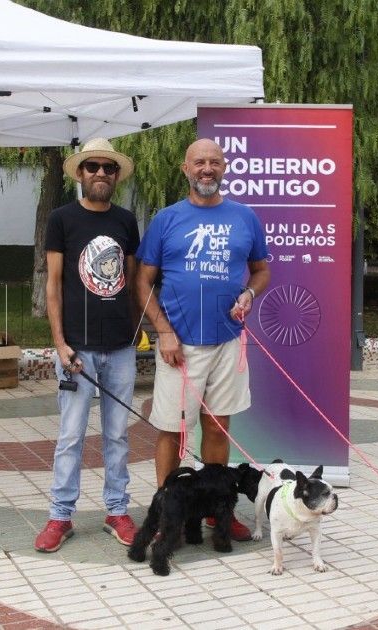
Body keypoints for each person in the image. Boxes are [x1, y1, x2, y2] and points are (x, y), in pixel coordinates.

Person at [133, 138, 271, 542]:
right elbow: (142, 281)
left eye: (214, 162)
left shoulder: (245, 217)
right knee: (172, 430)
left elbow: (261, 271)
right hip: (179, 346)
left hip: (227, 342)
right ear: (185, 169)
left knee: (217, 427)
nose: (206, 169)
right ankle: (167, 517)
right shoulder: (167, 219)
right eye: (199, 162)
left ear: (224, 167)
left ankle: (215, 512)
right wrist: (163, 332)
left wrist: (249, 295)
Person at [34, 137, 141, 552]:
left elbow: (131, 282)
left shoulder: (126, 221)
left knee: (117, 436)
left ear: (116, 176)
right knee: (71, 436)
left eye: (108, 168)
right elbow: (54, 285)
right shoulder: (62, 219)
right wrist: (60, 343)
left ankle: (117, 511)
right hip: (77, 350)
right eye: (92, 166)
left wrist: (140, 332)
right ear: (80, 173)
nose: (100, 173)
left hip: (121, 348)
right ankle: (60, 516)